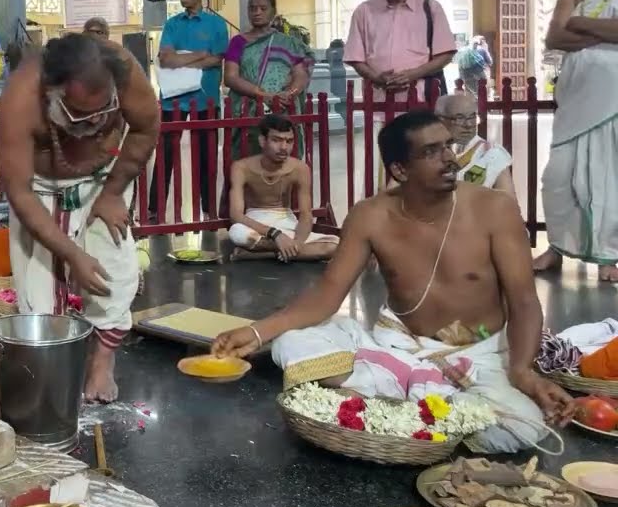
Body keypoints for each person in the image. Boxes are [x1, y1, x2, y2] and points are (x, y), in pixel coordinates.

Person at [213, 110, 575, 454]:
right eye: (431, 152)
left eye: (448, 145)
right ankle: (430, 398)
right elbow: (326, 295)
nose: (449, 158)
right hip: (398, 347)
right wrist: (258, 332)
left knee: (521, 429)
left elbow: (525, 301)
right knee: (290, 343)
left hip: (477, 351)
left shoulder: (495, 209)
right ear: (400, 169)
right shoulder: (370, 215)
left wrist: (522, 371)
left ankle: (396, 402)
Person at [0, 33, 160, 403]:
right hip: (39, 190)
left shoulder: (124, 72)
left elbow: (146, 127)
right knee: (39, 299)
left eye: (105, 111)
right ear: (51, 92)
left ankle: (101, 364)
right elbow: (19, 192)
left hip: (106, 179)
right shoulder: (22, 96)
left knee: (115, 273)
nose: (95, 123)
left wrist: (114, 192)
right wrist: (72, 254)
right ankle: (53, 373)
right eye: (79, 115)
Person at [533, 0, 618, 281]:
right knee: (558, 175)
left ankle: (609, 256)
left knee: (608, 175)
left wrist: (580, 24)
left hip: (612, 100)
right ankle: (556, 246)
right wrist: (604, 35)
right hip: (576, 95)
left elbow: (571, 28)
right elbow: (554, 37)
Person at [149, 0, 228, 222]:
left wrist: (182, 58)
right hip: (173, 99)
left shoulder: (216, 25)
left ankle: (208, 208)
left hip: (206, 99)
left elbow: (217, 59)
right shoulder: (172, 24)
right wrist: (200, 55)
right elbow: (166, 58)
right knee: (164, 155)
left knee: (207, 157)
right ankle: (155, 209)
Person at [345, 0, 456, 105]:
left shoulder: (430, 8)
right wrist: (377, 77)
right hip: (378, 101)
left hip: (421, 99)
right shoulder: (364, 11)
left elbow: (446, 54)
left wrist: (413, 74)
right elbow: (355, 58)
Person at [227, 114, 338, 262]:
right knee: (237, 233)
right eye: (276, 140)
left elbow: (306, 216)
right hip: (255, 223)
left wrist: (296, 244)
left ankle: (261, 254)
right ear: (262, 141)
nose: (284, 147)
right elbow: (236, 215)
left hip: (287, 223)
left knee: (334, 246)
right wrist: (275, 234)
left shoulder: (300, 168)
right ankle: (292, 252)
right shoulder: (241, 167)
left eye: (289, 141)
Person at [223, 0, 314, 158]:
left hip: (283, 110)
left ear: (273, 11)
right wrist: (264, 96)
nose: (257, 12)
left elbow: (300, 74)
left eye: (263, 8)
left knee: (283, 161)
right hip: (248, 111)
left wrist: (289, 94)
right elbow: (230, 77)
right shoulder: (238, 42)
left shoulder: (289, 43)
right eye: (252, 8)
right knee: (248, 162)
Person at [435, 93, 514, 199]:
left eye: (472, 117)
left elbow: (508, 204)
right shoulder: (430, 154)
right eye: (460, 118)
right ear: (441, 119)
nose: (468, 125)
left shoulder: (493, 154)